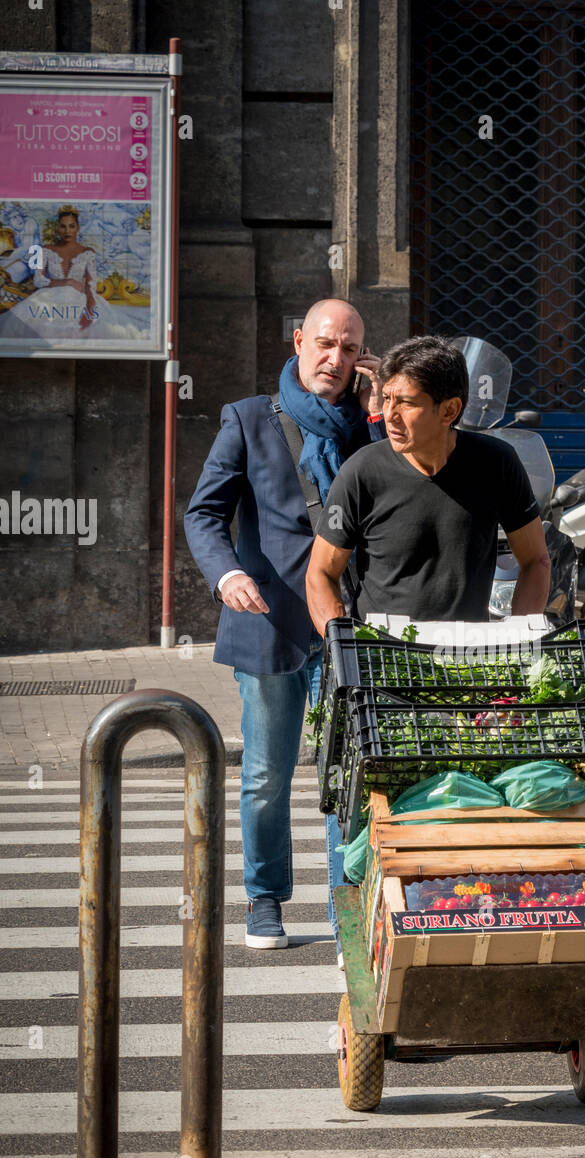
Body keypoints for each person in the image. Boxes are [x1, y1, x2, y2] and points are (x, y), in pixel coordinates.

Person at [184, 299, 384, 947]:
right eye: (326, 343)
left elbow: (399, 494)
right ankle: (264, 899)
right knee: (267, 775)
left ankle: (346, 908)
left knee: (345, 775)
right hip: (267, 622)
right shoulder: (248, 419)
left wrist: (381, 412)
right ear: (299, 341)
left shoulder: (368, 424)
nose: (337, 359)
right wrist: (225, 574)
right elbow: (203, 514)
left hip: (343, 626)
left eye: (350, 349)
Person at [304, 334, 551, 634]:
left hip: (465, 661)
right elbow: (320, 572)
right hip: (382, 659)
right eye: (386, 398)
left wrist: (518, 642)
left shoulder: (497, 464)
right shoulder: (361, 471)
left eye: (406, 403)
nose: (389, 415)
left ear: (449, 410)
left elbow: (536, 561)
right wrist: (344, 648)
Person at [0, 205, 139, 340]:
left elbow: (91, 285)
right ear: (58, 228)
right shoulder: (46, 250)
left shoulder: (87, 252)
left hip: (79, 297)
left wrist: (90, 308)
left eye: (71, 226)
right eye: (63, 226)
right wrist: (69, 282)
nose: (67, 231)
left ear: (77, 228)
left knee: (100, 328)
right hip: (49, 297)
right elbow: (38, 280)